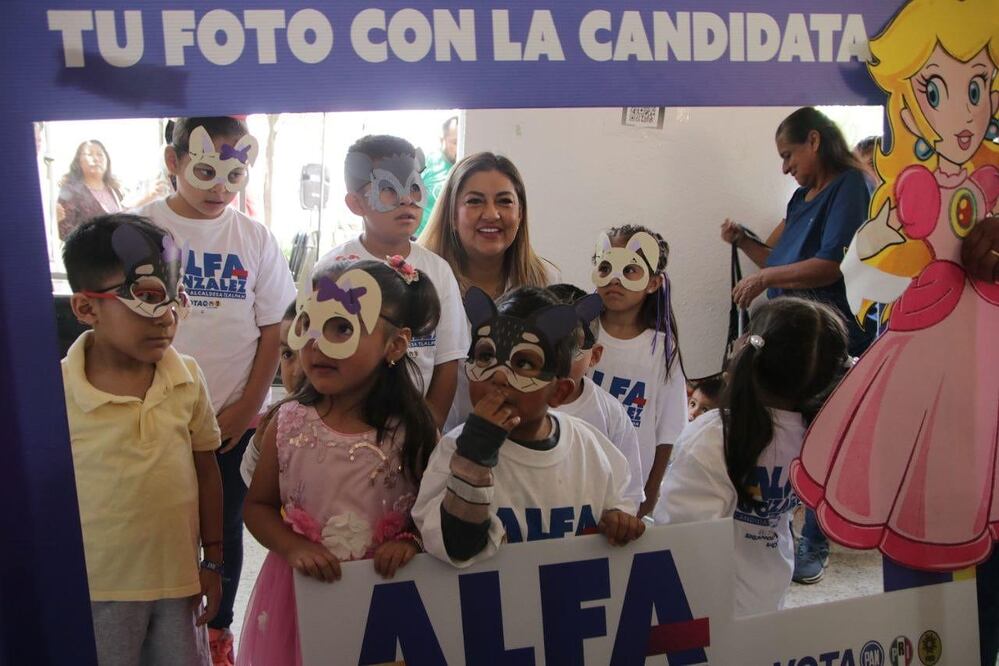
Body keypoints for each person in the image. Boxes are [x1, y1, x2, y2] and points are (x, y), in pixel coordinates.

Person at [789, 8, 998, 661]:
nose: (962, 113)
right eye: (934, 92)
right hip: (930, 379)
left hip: (979, 385)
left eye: (976, 89)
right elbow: (866, 272)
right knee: (923, 557)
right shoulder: (905, 186)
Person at [132, 116, 297, 665]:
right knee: (154, 522)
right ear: (173, 161)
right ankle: (149, 625)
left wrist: (249, 406)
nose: (220, 189)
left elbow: (275, 325)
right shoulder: (138, 227)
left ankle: (219, 632)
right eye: (205, 171)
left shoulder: (253, 238)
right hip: (150, 418)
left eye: (235, 175)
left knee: (223, 527)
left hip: (231, 421)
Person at [238, 258, 440, 665]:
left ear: (396, 344)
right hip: (300, 594)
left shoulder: (415, 431)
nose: (317, 344)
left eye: (342, 328)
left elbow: (432, 513)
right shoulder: (288, 421)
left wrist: (410, 542)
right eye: (310, 325)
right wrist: (292, 546)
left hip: (384, 599)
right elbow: (257, 507)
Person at [720, 106, 875, 584]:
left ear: (814, 140)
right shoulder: (800, 198)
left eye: (788, 155)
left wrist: (765, 276)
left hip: (830, 337)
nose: (785, 167)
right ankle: (783, 530)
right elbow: (780, 257)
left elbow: (830, 264)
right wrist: (745, 243)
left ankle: (817, 541)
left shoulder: (851, 187)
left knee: (826, 436)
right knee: (788, 436)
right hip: (788, 336)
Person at [61, 214, 223, 665]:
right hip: (98, 590)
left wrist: (213, 559)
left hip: (178, 584)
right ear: (86, 308)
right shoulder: (56, 392)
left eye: (176, 297)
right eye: (149, 297)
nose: (167, 316)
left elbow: (206, 471)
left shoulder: (187, 377)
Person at [412, 287, 644, 566]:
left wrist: (618, 520)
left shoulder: (589, 448)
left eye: (523, 362)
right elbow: (457, 546)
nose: (498, 375)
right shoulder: (453, 450)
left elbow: (620, 502)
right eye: (486, 357)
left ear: (558, 393)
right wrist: (474, 456)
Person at [657, 297, 849, 618]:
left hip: (707, 611)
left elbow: (678, 538)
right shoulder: (818, 437)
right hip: (768, 591)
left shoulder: (713, 436)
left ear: (749, 354)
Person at [321, 134, 469, 428]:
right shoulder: (331, 269)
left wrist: (428, 430)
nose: (406, 199)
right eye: (387, 189)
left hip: (416, 432)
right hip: (346, 430)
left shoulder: (438, 271)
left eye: (415, 187)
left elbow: (447, 361)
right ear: (355, 203)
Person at [419, 151, 559, 430]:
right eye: (475, 201)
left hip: (513, 450)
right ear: (451, 215)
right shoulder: (421, 280)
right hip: (428, 447)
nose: (492, 214)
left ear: (520, 214)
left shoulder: (546, 281)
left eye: (505, 202)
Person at [589, 224, 686, 519]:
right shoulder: (580, 335)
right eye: (606, 267)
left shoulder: (662, 349)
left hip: (627, 490)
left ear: (653, 283)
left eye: (629, 270)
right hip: (575, 476)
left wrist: (652, 491)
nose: (615, 279)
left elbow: (668, 430)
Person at [548, 283, 645, 511]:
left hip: (589, 537)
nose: (558, 358)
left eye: (571, 347)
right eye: (547, 344)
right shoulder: (519, 404)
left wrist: (620, 517)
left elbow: (628, 493)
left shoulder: (611, 414)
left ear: (595, 356)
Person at [240, 301, 305, 486]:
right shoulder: (281, 416)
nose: (298, 370)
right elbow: (251, 478)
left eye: (312, 349)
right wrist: (259, 446)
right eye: (288, 354)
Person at [56, 140, 123, 240]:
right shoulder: (71, 192)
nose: (96, 159)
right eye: (89, 154)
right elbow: (64, 232)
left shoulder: (114, 190)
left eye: (100, 154)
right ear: (79, 161)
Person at [415, 115, 458, 238]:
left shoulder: (466, 170)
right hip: (419, 238)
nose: (458, 147)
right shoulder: (427, 163)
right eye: (454, 142)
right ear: (442, 140)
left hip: (448, 241)